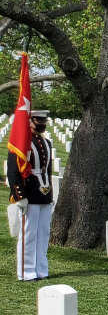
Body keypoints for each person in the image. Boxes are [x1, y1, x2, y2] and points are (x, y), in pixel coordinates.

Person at [9, 109, 54, 281]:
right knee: (28, 234)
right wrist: (19, 196)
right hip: (29, 193)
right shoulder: (21, 143)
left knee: (43, 234)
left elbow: (48, 170)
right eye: (38, 120)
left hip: (44, 193)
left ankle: (41, 270)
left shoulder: (46, 143)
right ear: (30, 121)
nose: (42, 124)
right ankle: (26, 272)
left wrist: (51, 195)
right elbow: (13, 171)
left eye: (44, 120)